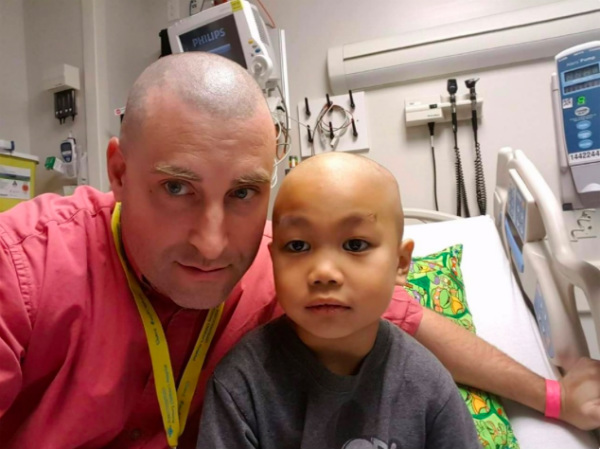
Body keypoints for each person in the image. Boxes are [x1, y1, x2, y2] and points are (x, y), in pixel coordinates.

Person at [0, 52, 598, 449]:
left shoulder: (284, 266)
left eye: (243, 193)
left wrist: (554, 397)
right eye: (177, 188)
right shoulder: (22, 270)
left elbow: (409, 323)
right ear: (119, 172)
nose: (212, 243)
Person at [197, 152, 482, 449]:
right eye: (297, 246)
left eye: (355, 245)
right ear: (274, 260)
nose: (324, 272)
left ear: (400, 264)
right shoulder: (242, 386)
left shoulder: (427, 386)